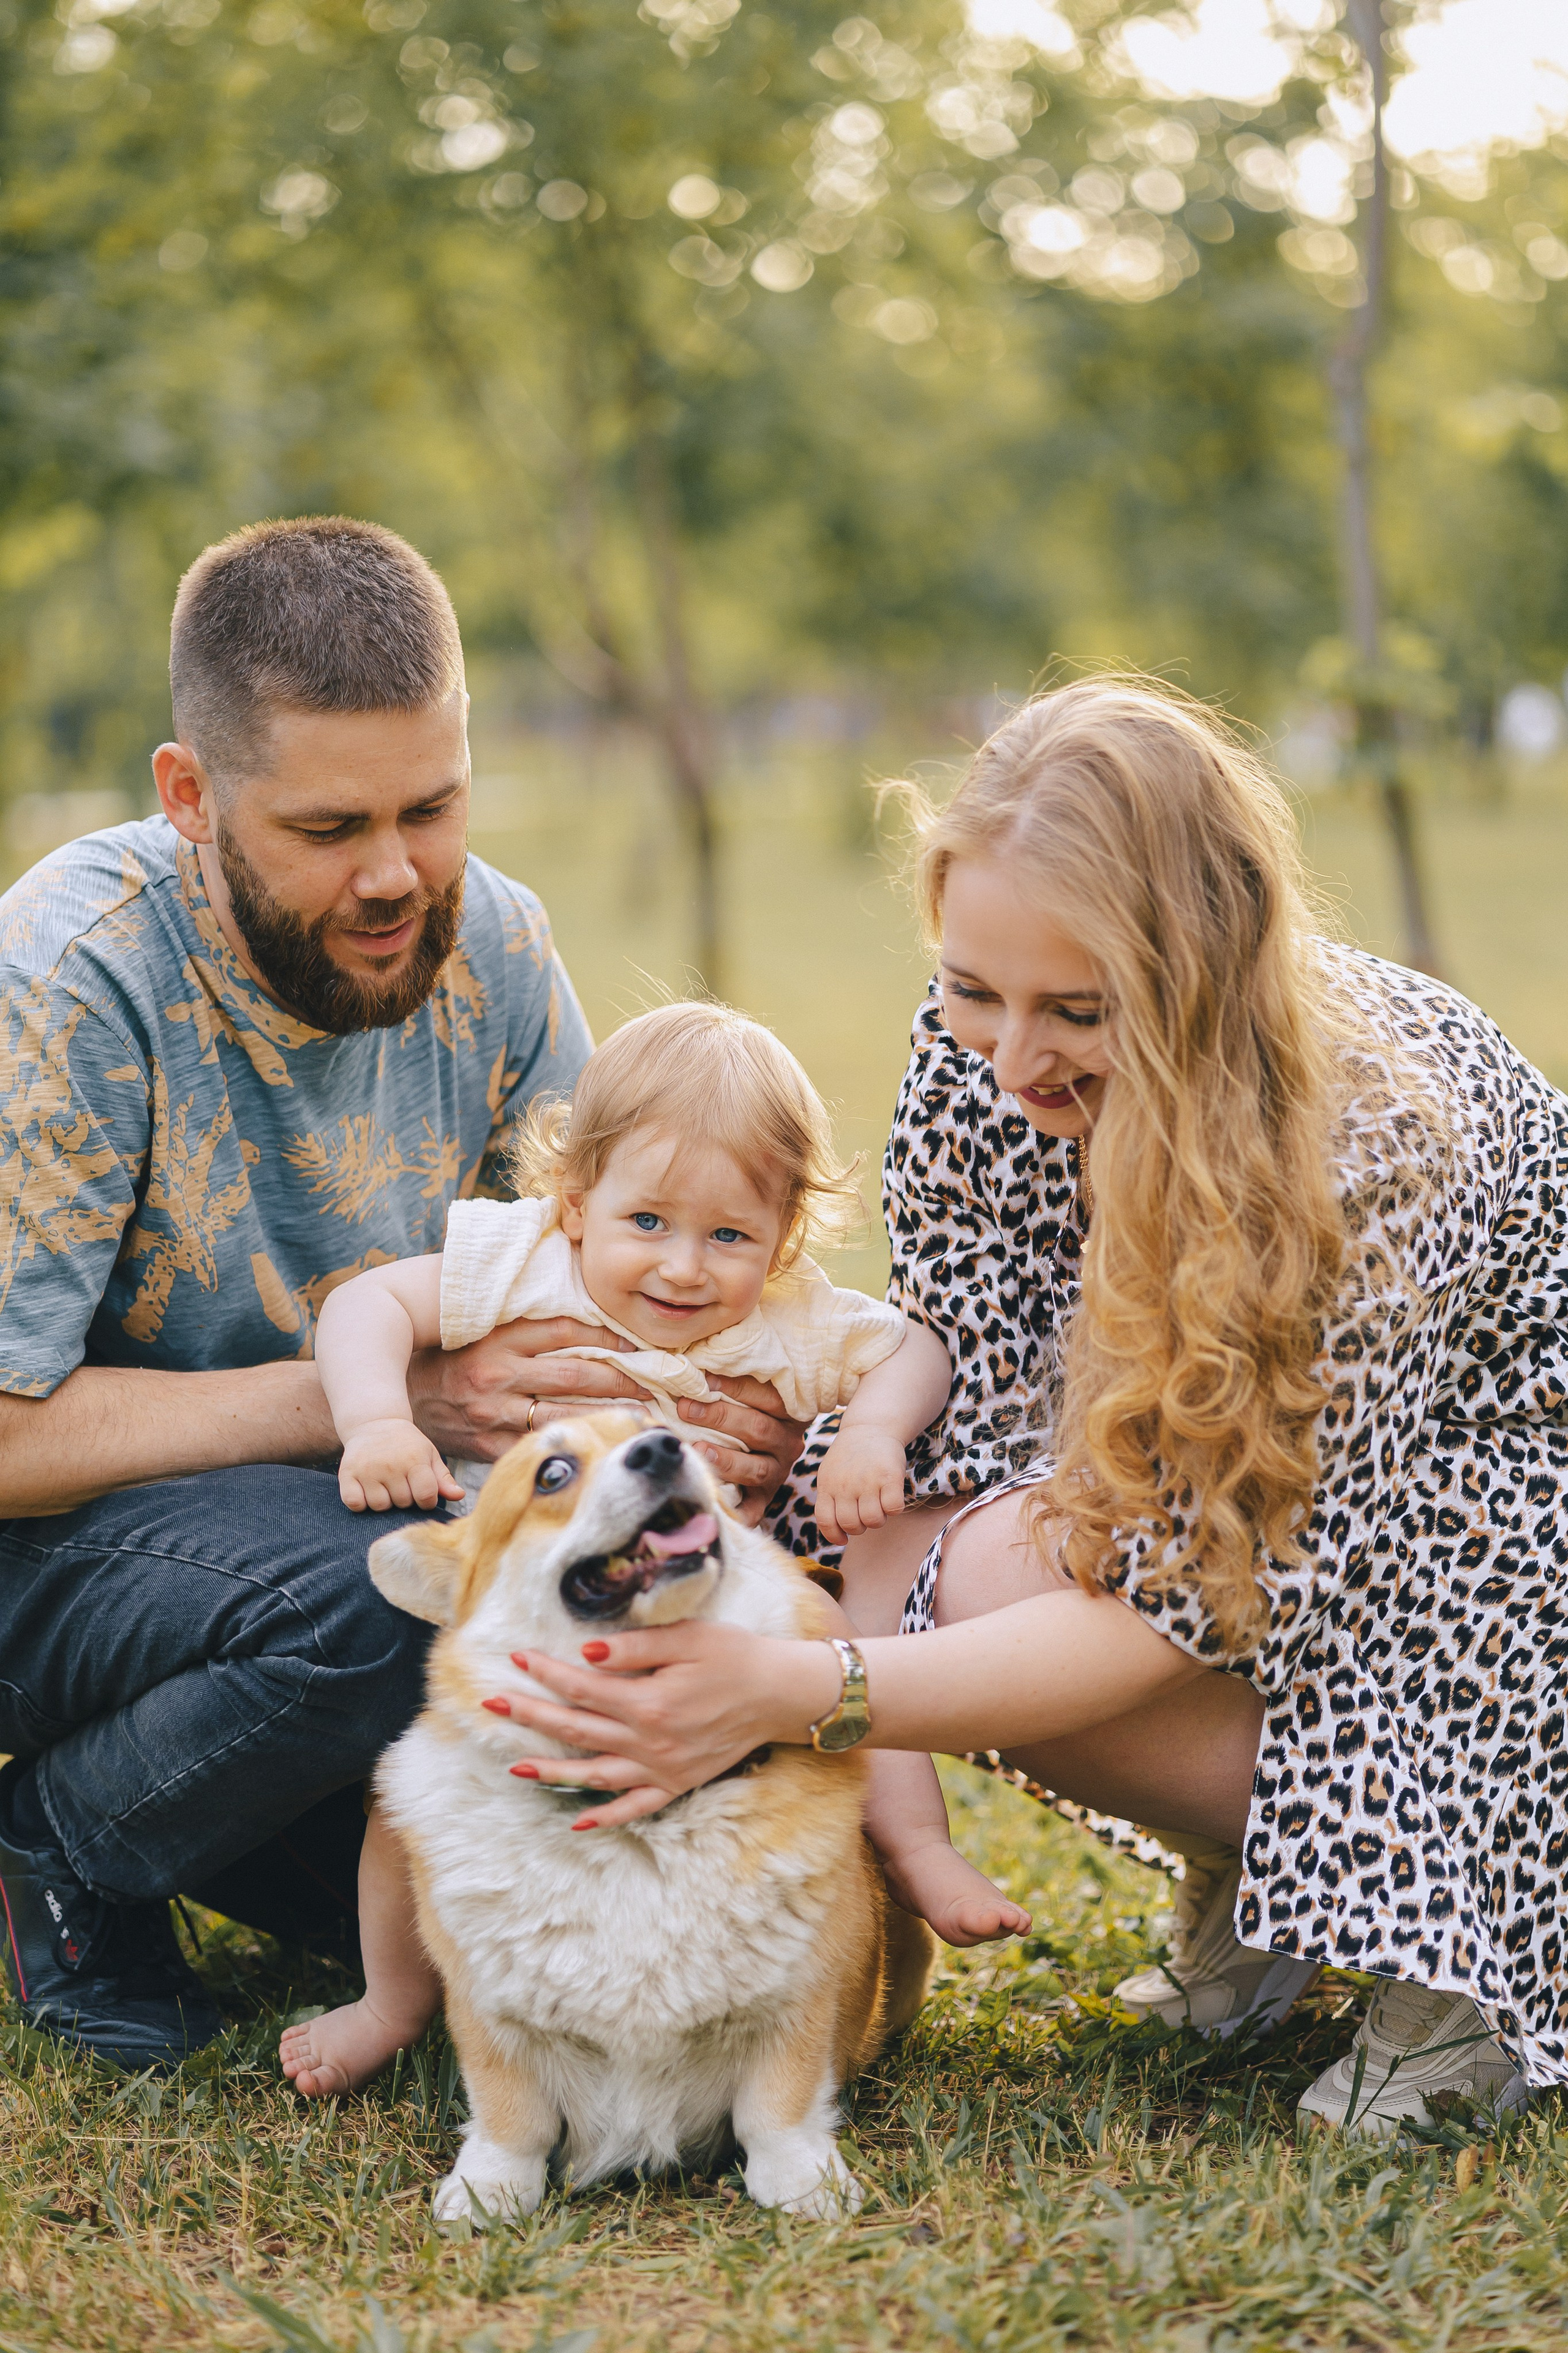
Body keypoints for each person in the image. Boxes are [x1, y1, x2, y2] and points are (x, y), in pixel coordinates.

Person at [474, 679, 1568, 2139]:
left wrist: (812, 1690)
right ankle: (1267, 1885)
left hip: (1497, 1538)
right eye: (969, 989)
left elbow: (1202, 1592)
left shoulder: (1367, 1147)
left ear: (1201, 977)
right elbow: (955, 1363)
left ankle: (1468, 1958)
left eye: (1074, 1010)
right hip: (1254, 1489)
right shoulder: (990, 1032)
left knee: (1001, 1588)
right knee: (894, 1515)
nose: (1006, 1058)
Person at [0, 516, 804, 2070]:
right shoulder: (69, 978)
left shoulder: (492, 939)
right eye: (326, 827)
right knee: (395, 1592)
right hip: (62, 1557)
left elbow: (594, 1273)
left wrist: (718, 1418)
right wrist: (370, 1399)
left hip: (323, 1529)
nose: (393, 875)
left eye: (429, 808)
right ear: (190, 797)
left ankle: (227, 1819)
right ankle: (60, 1840)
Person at [279, 997, 1017, 2098]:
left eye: (729, 1236)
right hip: (543, 1618)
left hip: (712, 1618)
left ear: (783, 1241)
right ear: (575, 1204)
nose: (684, 1267)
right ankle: (395, 1997)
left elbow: (916, 1348)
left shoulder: (787, 1316)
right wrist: (379, 1419)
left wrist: (871, 1429)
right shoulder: (523, 1266)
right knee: (418, 1793)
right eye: (649, 1223)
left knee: (848, 1679)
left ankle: (916, 1848)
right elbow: (364, 1307)